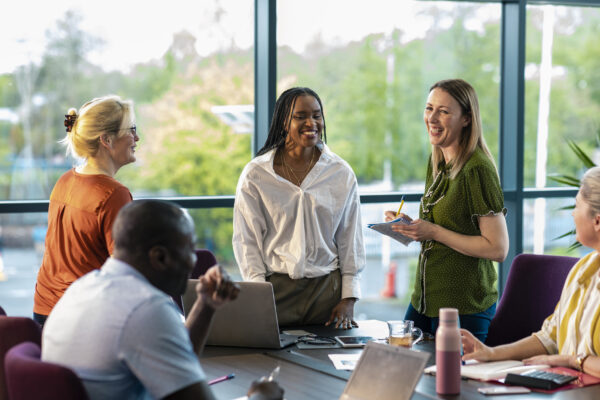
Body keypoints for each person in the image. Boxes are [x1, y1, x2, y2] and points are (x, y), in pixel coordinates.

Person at [42, 200, 284, 400]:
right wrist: (261, 398)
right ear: (159, 257)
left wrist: (205, 305)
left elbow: (175, 360)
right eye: (189, 249)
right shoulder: (144, 309)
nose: (193, 261)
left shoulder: (81, 289)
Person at [385, 79, 509, 341]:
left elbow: (498, 249)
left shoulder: (477, 169)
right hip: (425, 300)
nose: (432, 117)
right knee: (398, 364)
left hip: (463, 305)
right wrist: (411, 227)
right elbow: (444, 226)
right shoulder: (439, 161)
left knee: (455, 380)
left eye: (443, 111)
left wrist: (434, 231)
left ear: (466, 119)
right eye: (429, 108)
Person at [233, 87, 365, 329]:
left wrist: (349, 297)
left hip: (327, 292)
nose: (311, 123)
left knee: (328, 363)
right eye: (301, 116)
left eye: (317, 115)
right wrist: (258, 295)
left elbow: (350, 238)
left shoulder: (340, 172)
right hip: (276, 291)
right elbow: (247, 241)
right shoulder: (257, 174)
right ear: (284, 121)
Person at [461, 166, 600, 378]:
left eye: (576, 205)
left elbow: (567, 356)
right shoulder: (583, 271)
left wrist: (573, 360)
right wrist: (490, 353)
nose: (572, 213)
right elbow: (549, 338)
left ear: (597, 221)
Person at [33, 95, 138, 326]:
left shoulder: (65, 180)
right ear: (107, 140)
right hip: (82, 318)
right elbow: (126, 271)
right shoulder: (113, 194)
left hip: (45, 312)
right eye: (131, 130)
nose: (136, 137)